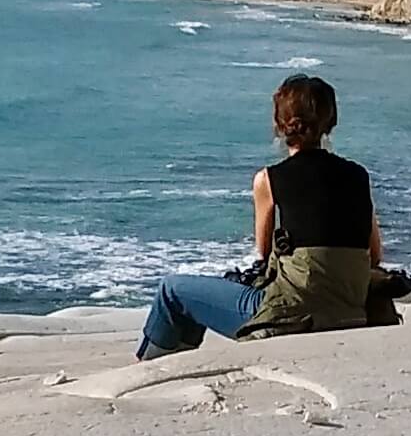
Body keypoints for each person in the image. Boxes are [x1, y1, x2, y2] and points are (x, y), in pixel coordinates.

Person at [138, 73, 383, 359]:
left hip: (289, 317)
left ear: (280, 126)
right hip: (349, 312)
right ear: (330, 124)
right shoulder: (358, 175)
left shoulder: (269, 179)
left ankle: (153, 369)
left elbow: (265, 254)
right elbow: (374, 255)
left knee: (173, 291)